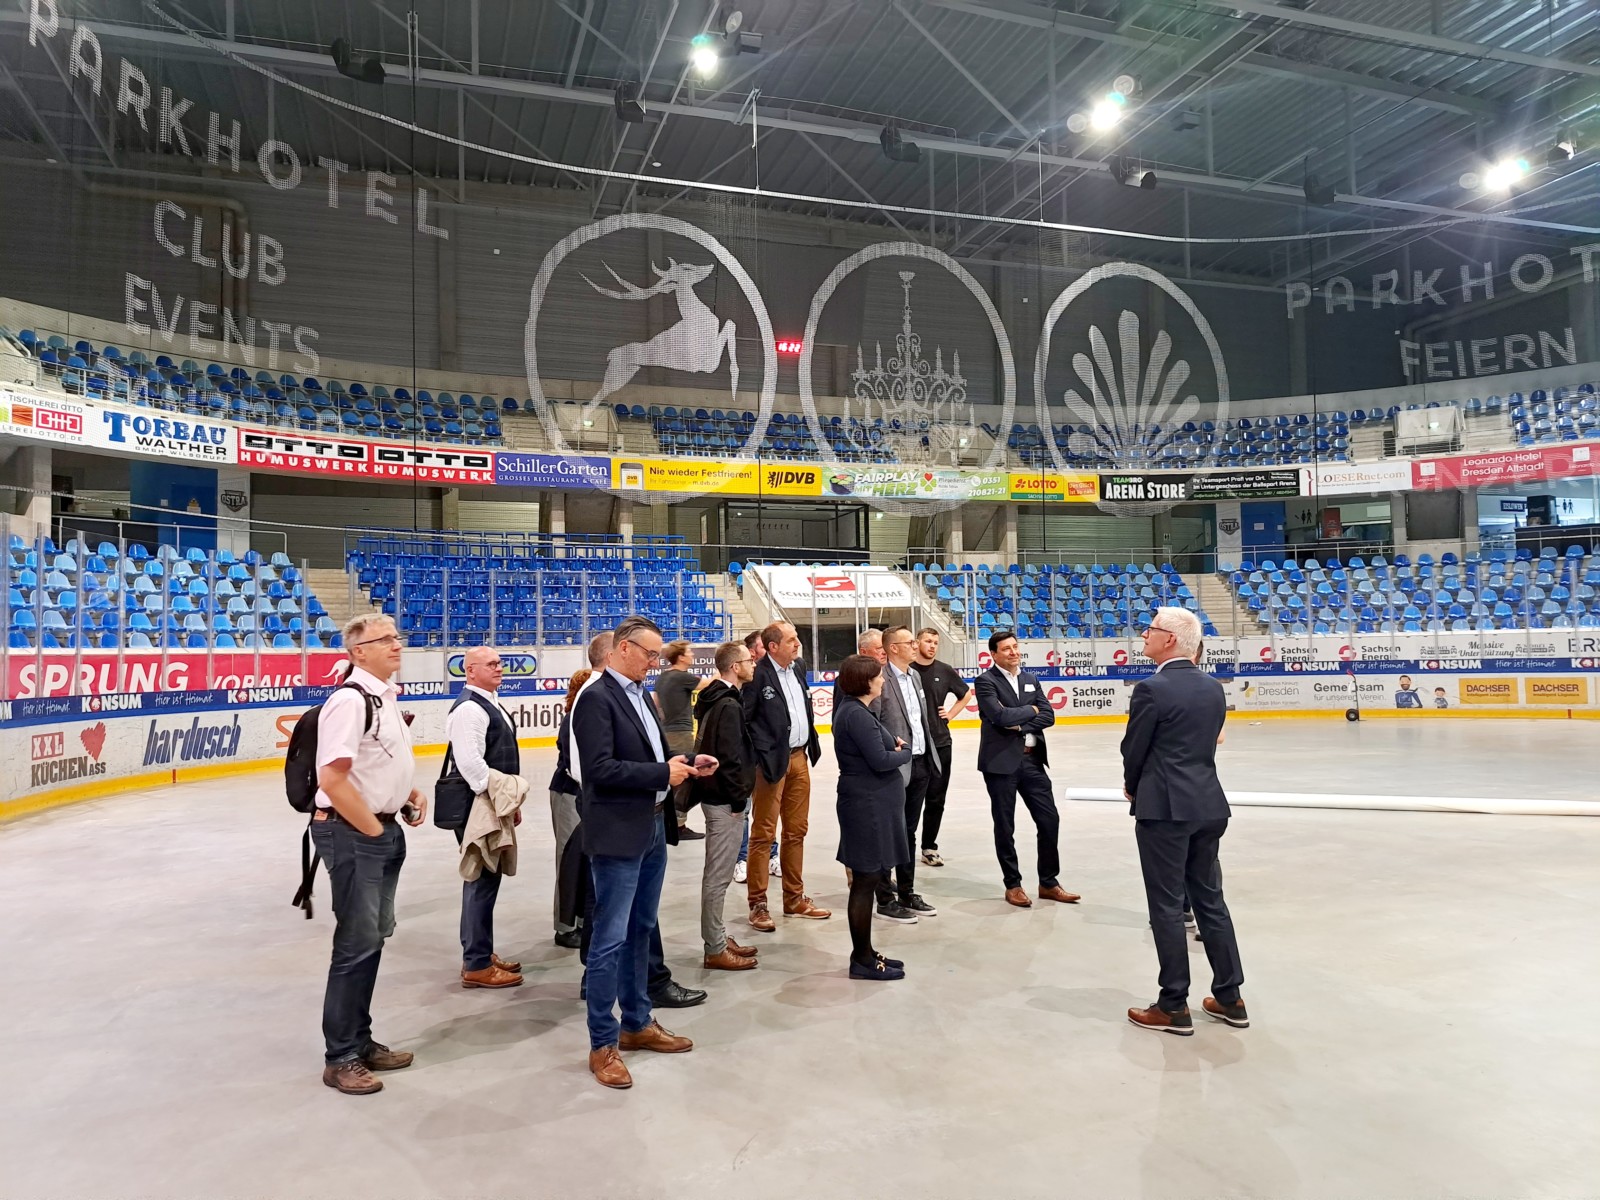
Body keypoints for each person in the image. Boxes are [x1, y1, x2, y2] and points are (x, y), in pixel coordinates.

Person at [571, 616, 708, 1089]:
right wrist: (660, 775)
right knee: (610, 939)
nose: (655, 663)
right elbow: (600, 770)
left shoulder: (640, 695)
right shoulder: (596, 698)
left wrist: (687, 763)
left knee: (641, 929)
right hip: (618, 833)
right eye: (650, 654)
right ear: (623, 648)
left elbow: (651, 758)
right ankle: (602, 1043)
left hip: (650, 826)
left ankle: (636, 1022)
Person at [310, 614, 425, 1096]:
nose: (396, 645)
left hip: (378, 830)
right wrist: (374, 828)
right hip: (355, 835)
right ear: (358, 651)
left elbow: (374, 764)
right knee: (356, 944)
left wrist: (406, 793)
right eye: (385, 640)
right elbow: (332, 779)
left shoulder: (383, 698)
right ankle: (340, 1057)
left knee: (371, 940)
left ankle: (359, 1040)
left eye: (397, 637)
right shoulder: (349, 700)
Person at [1122, 607, 1247, 1036]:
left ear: (1170, 639)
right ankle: (1230, 997)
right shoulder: (1213, 688)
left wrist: (1132, 786)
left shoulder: (1151, 689)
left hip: (1165, 808)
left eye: (1151, 629)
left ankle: (1173, 1004)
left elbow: (1134, 748)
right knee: (1210, 901)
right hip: (1208, 804)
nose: (1144, 635)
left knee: (1166, 906)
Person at [974, 629, 1080, 909]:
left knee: (1049, 820)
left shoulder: (1030, 679)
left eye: (1015, 646)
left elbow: (1049, 715)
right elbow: (999, 716)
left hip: (1033, 761)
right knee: (1005, 825)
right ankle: (1013, 885)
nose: (1013, 652)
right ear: (993, 654)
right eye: (1006, 649)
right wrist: (1031, 710)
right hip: (1001, 764)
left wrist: (1020, 723)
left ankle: (1048, 883)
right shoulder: (985, 681)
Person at [438, 646, 524, 989]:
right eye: (490, 664)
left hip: (490, 803)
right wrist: (504, 798)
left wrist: (509, 803)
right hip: (479, 805)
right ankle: (476, 962)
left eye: (499, 663)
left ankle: (480, 952)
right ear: (470, 670)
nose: (499, 668)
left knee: (486, 878)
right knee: (481, 877)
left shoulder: (489, 702)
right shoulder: (470, 709)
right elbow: (472, 766)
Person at [743, 620, 828, 931]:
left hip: (799, 758)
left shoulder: (798, 668)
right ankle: (758, 904)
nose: (798, 644)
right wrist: (762, 754)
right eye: (792, 639)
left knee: (796, 831)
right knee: (763, 834)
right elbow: (746, 720)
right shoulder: (757, 674)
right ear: (773, 646)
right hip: (770, 764)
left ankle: (794, 898)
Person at [832, 654, 913, 980]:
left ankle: (864, 952)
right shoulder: (856, 714)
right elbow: (880, 759)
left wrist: (894, 749)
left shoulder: (859, 711)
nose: (882, 681)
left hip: (873, 804)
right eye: (878, 676)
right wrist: (903, 753)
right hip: (867, 806)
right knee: (865, 881)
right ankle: (862, 959)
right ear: (866, 682)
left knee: (870, 877)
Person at [691, 641, 762, 971]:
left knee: (717, 875)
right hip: (724, 801)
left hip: (718, 797)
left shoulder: (717, 698)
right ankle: (715, 947)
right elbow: (730, 758)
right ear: (735, 666)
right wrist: (738, 800)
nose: (753, 664)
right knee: (718, 877)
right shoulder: (729, 705)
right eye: (749, 660)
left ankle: (717, 936)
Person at [871, 626, 940, 923]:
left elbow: (919, 719)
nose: (916, 645)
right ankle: (885, 899)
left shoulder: (915, 677)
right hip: (894, 766)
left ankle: (907, 892)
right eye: (910, 642)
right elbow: (873, 722)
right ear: (893, 648)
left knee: (908, 832)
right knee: (889, 832)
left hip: (920, 762)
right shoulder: (880, 679)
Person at [911, 627, 973, 868]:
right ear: (917, 643)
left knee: (936, 798)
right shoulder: (908, 670)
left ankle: (929, 847)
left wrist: (950, 715)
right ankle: (905, 846)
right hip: (915, 746)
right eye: (928, 641)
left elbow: (966, 694)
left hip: (940, 743)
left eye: (936, 642)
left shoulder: (944, 671)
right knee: (911, 800)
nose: (932, 646)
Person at [733, 630, 779, 885]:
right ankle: (741, 859)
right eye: (763, 646)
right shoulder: (741, 684)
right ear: (752, 652)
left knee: (767, 811)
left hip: (765, 758)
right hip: (745, 759)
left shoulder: (771, 677)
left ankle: (772, 853)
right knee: (744, 810)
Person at [550, 668, 590, 951]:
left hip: (581, 795)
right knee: (567, 858)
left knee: (583, 859)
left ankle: (581, 918)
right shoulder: (572, 718)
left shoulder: (582, 716)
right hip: (567, 793)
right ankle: (564, 927)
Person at [652, 641, 704, 841]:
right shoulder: (683, 677)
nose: (692, 655)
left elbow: (656, 704)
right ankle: (678, 825)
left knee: (672, 778)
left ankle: (669, 822)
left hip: (666, 732)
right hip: (681, 733)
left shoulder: (663, 677)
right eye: (689, 652)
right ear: (681, 657)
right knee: (685, 780)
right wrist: (724, 670)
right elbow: (708, 685)